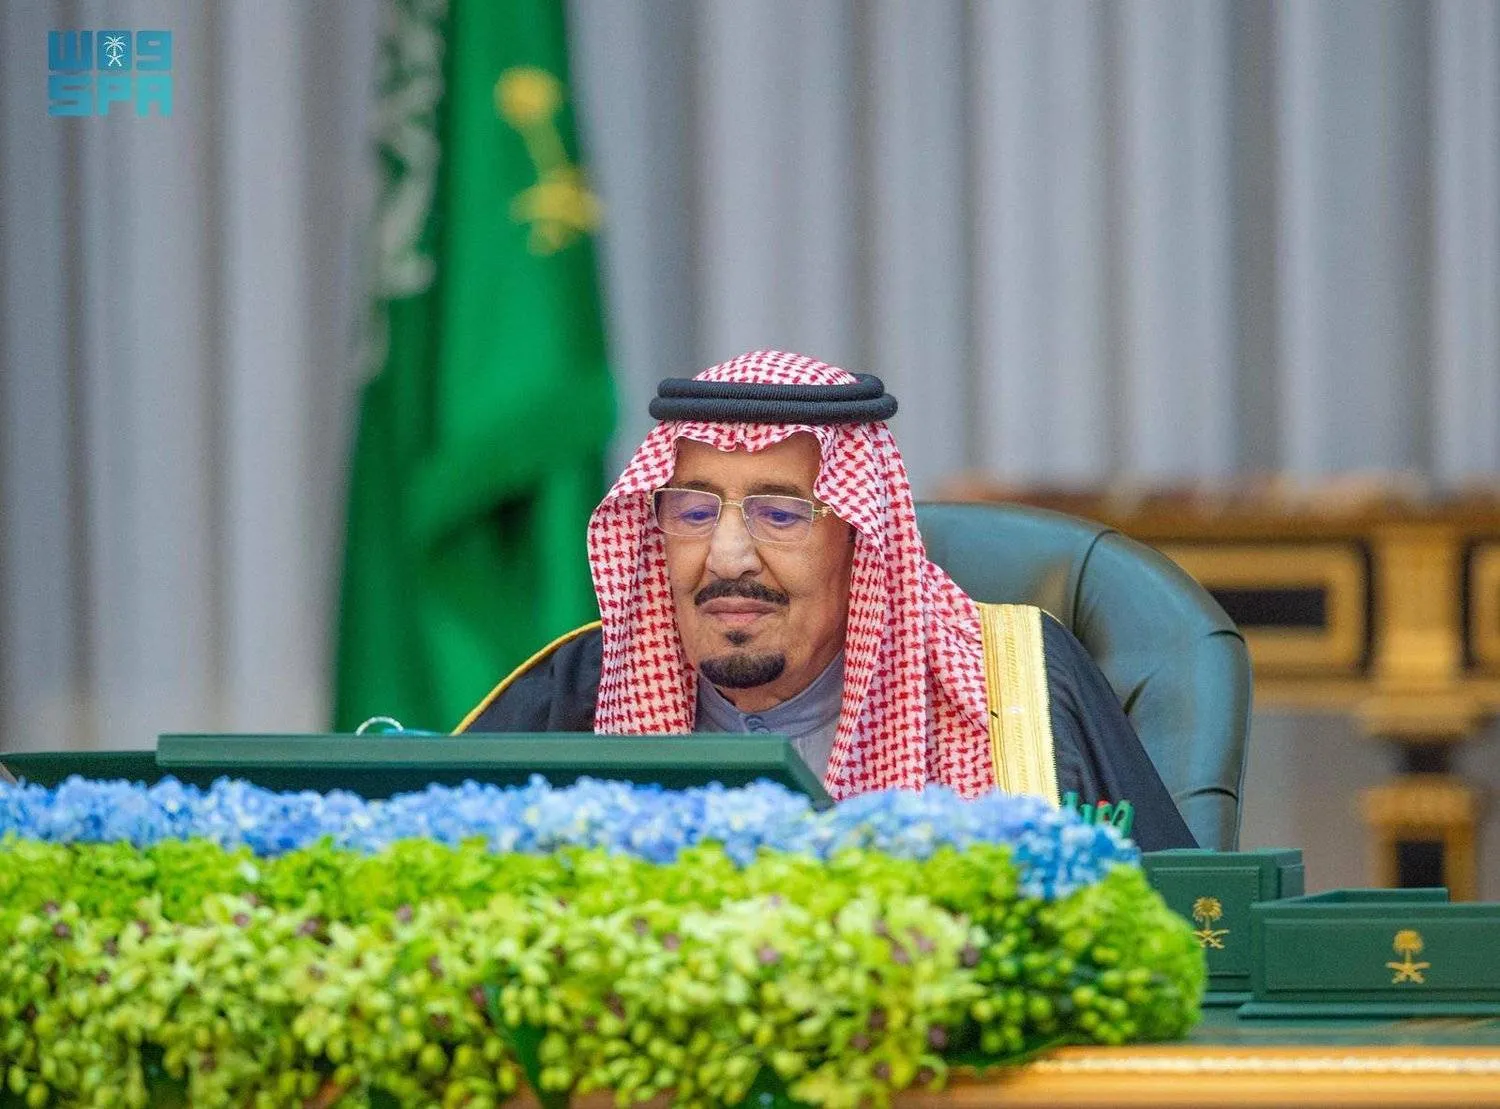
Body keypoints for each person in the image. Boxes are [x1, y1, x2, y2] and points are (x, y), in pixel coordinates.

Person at [458, 350, 1196, 849]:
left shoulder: (1021, 691)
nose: (727, 556)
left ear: (860, 541)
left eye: (780, 514)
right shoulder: (570, 701)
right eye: (692, 511)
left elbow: (1176, 951)